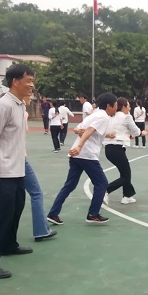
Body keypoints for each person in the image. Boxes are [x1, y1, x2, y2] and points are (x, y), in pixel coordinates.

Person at [0, 63, 35, 280]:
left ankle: (9, 244)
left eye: (32, 81)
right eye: (28, 80)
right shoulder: (3, 106)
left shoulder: (19, 104)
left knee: (16, 209)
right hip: (3, 172)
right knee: (3, 216)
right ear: (15, 81)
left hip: (17, 170)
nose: (32, 85)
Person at [47, 92, 117, 225]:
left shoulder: (95, 114)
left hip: (77, 155)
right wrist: (80, 146)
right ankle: (93, 214)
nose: (116, 108)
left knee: (69, 185)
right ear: (109, 105)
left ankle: (53, 213)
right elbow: (89, 131)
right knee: (102, 183)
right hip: (87, 155)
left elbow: (78, 129)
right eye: (116, 105)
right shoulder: (103, 117)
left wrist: (106, 135)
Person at [23, 95, 57, 242]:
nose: (30, 95)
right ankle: (41, 230)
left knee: (15, 197)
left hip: (16, 158)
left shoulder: (21, 111)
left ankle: (7, 237)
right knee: (36, 193)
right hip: (17, 159)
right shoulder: (18, 112)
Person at [103, 97, 148, 204]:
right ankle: (106, 190)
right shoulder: (126, 117)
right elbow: (136, 132)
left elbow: (119, 130)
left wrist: (129, 135)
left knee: (124, 173)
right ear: (123, 107)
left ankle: (127, 196)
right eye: (128, 105)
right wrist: (143, 133)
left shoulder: (111, 116)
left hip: (108, 149)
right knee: (126, 176)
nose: (129, 108)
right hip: (117, 149)